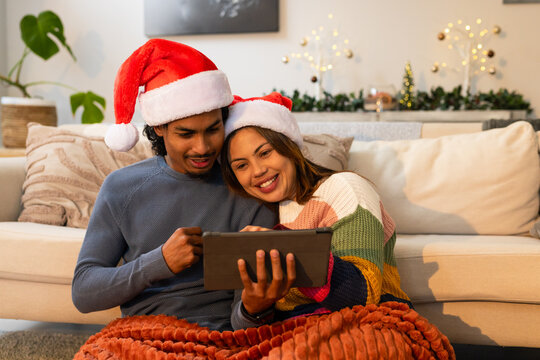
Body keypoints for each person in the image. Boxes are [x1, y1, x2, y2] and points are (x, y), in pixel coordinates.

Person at [71, 39, 276, 331]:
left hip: (224, 337)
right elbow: (83, 292)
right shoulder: (121, 187)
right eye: (186, 134)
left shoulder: (250, 187)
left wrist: (254, 310)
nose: (203, 147)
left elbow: (242, 321)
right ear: (159, 127)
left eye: (213, 130)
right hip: (144, 335)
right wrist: (158, 262)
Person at [221, 92, 412, 330]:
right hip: (292, 335)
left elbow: (363, 296)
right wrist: (252, 308)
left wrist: (286, 250)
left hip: (371, 324)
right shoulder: (260, 213)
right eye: (241, 165)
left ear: (289, 147)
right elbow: (242, 324)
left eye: (265, 152)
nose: (257, 170)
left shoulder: (345, 188)